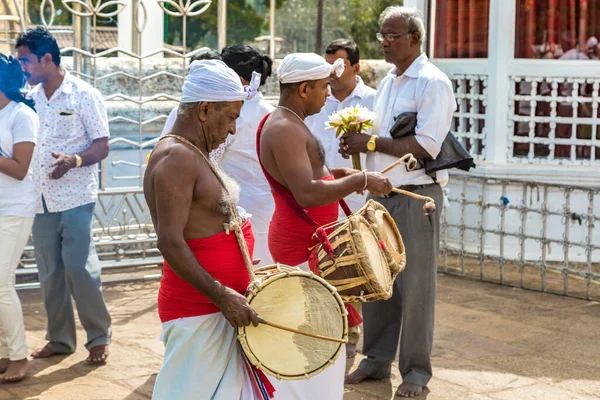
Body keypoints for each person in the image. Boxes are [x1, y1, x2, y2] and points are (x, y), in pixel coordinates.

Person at [257, 52, 392, 400]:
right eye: (321, 87)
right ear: (303, 89)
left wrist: (346, 176)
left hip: (310, 242)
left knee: (323, 336)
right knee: (313, 339)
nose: (327, 95)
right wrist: (360, 177)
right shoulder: (285, 127)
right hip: (301, 244)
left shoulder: (289, 122)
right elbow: (306, 192)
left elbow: (315, 176)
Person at [342, 7, 455, 398]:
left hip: (416, 196)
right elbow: (383, 137)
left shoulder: (432, 82)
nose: (385, 42)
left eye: (393, 35)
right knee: (376, 279)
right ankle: (375, 360)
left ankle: (416, 373)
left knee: (416, 287)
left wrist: (371, 143)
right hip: (381, 196)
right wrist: (359, 141)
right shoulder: (390, 81)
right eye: (382, 36)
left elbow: (426, 146)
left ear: (415, 38)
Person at [145, 59, 273, 400]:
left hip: (217, 307)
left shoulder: (192, 153)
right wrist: (221, 294)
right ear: (204, 109)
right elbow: (170, 242)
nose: (233, 130)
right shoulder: (177, 158)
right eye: (231, 117)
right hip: (198, 309)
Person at [16, 27, 112, 364]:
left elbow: (102, 145)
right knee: (49, 272)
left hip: (75, 197)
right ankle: (60, 339)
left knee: (79, 268)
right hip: (39, 199)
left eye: (26, 61)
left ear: (47, 59)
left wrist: (76, 160)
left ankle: (98, 337)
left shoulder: (83, 95)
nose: (22, 67)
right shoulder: (28, 98)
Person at [304, 38, 376, 358]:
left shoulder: (374, 100)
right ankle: (334, 330)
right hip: (322, 199)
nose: (332, 73)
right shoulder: (317, 103)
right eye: (327, 66)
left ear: (356, 67)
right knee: (327, 265)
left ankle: (357, 337)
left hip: (362, 201)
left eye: (339, 65)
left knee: (360, 268)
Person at [0, 54, 39, 382]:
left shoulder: (22, 115)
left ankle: (19, 355)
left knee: (1, 284)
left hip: (14, 208)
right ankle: (3, 352)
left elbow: (19, 169)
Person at [219, 45, 276, 266]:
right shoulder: (271, 111)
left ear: (240, 79)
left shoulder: (235, 115)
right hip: (268, 203)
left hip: (239, 205)